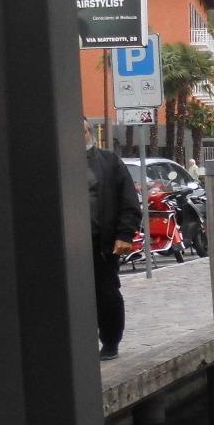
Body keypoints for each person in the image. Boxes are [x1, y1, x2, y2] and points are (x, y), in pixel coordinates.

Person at [86, 119, 141, 360]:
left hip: (101, 243)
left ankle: (110, 342)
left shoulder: (109, 162)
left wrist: (124, 234)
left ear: (89, 133)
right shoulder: (56, 162)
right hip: (66, 247)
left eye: (83, 130)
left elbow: (129, 202)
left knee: (106, 293)